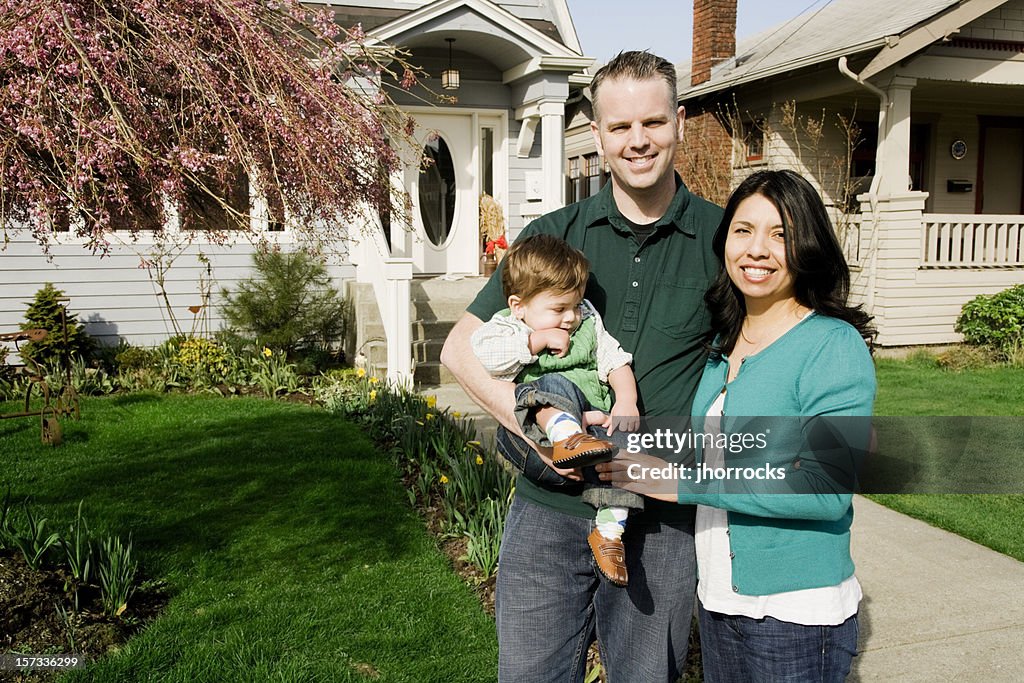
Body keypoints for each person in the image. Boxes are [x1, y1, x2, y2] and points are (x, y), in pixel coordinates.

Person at [441, 50, 722, 682]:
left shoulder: (721, 239)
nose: (638, 141)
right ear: (595, 134)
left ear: (679, 122)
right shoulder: (555, 237)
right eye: (619, 127)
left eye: (652, 122)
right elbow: (459, 348)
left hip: (661, 520)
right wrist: (539, 438)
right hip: (549, 512)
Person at [598, 168, 876, 682]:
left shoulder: (832, 345)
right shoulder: (724, 344)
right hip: (721, 602)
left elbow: (827, 486)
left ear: (807, 246)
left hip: (796, 614)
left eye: (780, 234)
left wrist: (682, 484)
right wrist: (611, 425)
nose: (758, 250)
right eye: (744, 230)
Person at [471, 233, 643, 587]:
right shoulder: (508, 325)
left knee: (629, 453)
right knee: (552, 387)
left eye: (576, 305)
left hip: (593, 432)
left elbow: (614, 360)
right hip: (540, 439)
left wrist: (625, 401)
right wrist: (535, 341)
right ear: (519, 306)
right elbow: (486, 358)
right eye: (558, 309)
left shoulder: (588, 322)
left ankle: (609, 533)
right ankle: (567, 438)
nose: (570, 318)